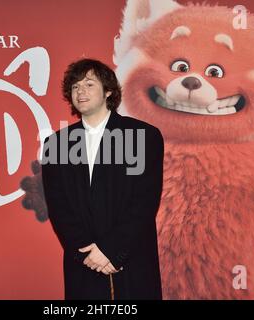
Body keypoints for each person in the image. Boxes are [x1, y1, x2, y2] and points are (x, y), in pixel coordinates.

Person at [41, 58, 164, 300]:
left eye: (88, 84)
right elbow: (58, 206)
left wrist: (110, 250)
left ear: (108, 91)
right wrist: (88, 253)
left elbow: (145, 201)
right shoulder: (55, 144)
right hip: (84, 262)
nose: (80, 91)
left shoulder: (143, 135)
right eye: (75, 87)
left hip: (132, 260)